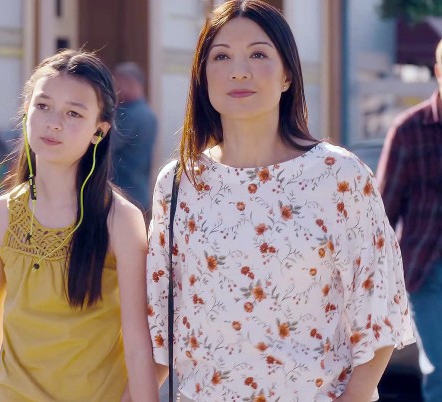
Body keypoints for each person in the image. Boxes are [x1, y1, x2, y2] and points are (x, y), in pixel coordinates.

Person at [146, 1, 415, 401]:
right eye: (221, 56)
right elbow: (159, 318)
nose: (239, 70)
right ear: (202, 76)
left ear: (288, 75)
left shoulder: (338, 176)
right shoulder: (179, 183)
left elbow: (379, 311)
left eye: (258, 54)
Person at [0, 49, 159, 402]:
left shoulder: (120, 220)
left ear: (99, 130)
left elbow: (139, 343)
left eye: (73, 113)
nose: (53, 123)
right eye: (43, 106)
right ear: (26, 112)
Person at [377, 39, 442, 402]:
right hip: (428, 271)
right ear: (438, 71)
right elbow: (382, 213)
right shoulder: (408, 130)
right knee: (441, 368)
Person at [111, 62, 158, 212]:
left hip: (123, 193)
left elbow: (105, 145)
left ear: (130, 83)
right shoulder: (148, 114)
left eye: (118, 83)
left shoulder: (127, 115)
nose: (115, 89)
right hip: (140, 192)